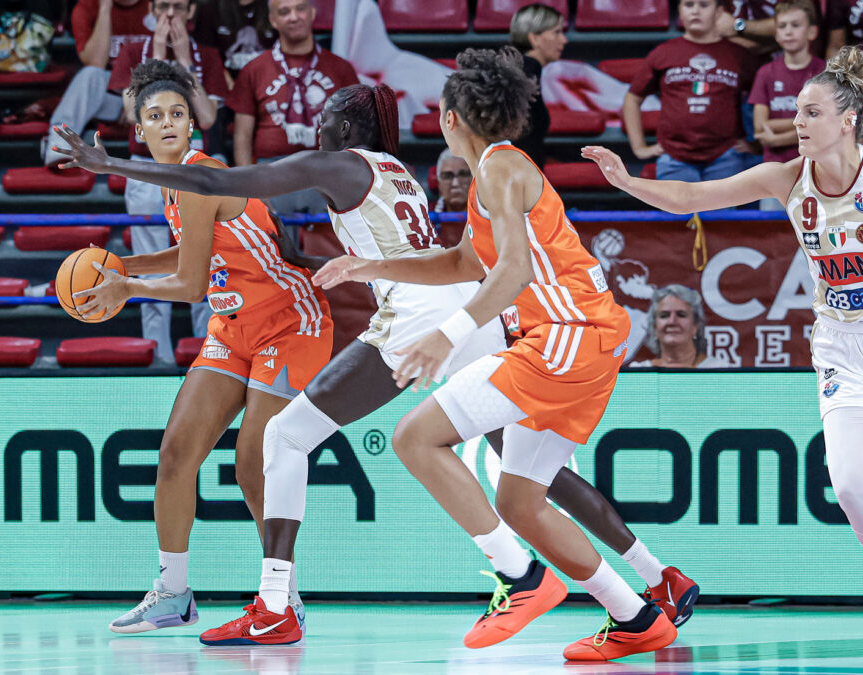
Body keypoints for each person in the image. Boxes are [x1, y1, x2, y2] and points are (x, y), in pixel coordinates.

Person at [54, 67, 696, 651]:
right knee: (532, 473)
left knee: (288, 436)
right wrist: (351, 265)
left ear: (347, 126)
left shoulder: (344, 165)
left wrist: (109, 163)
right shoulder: (396, 170)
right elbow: (447, 258)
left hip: (425, 318)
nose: (316, 123)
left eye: (327, 115)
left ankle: (287, 604)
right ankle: (651, 583)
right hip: (465, 307)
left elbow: (218, 180)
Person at [315, 47, 680, 661]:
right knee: (519, 500)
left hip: (564, 335)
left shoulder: (498, 169)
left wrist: (448, 333)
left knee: (414, 438)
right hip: (586, 338)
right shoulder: (498, 171)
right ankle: (637, 617)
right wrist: (370, 264)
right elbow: (465, 262)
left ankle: (522, 580)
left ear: (452, 116)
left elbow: (509, 273)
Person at [51, 60, 333, 635]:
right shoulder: (176, 187)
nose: (169, 122)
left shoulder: (203, 175)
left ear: (190, 124)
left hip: (288, 320)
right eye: (155, 115)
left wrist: (126, 287)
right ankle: (173, 593)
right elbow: (189, 259)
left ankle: (286, 600)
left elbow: (189, 284)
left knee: (254, 463)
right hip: (235, 328)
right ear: (141, 132)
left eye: (177, 113)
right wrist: (114, 266)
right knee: (177, 454)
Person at [586, 44, 863, 555]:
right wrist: (626, 181)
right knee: (848, 485)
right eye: (797, 109)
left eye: (812, 112)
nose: (796, 121)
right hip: (839, 347)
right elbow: (691, 198)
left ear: (848, 122)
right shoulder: (786, 177)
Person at [105, 0, 227, 364]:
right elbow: (131, 114)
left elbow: (206, 117)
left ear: (191, 12)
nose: (169, 15)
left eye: (177, 6)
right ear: (151, 11)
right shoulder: (131, 52)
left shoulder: (206, 54)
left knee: (203, 260)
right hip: (145, 166)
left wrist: (185, 63)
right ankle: (156, 355)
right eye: (162, 6)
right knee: (153, 258)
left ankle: (210, 352)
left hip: (195, 166)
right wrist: (157, 55)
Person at [226, 0, 358, 216]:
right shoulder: (254, 69)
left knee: (329, 249)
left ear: (312, 13)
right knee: (274, 249)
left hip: (326, 169)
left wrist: (348, 183)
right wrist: (250, 189)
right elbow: (242, 137)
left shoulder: (341, 69)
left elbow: (356, 132)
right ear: (273, 20)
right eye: (284, 11)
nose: (294, 17)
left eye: (300, 8)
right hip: (271, 172)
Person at [623, 0, 756, 181]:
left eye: (703, 5)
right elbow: (633, 98)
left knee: (722, 211)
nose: (695, 11)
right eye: (688, 4)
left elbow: (763, 97)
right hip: (673, 158)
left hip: (725, 156)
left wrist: (756, 145)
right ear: (679, 11)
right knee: (678, 211)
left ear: (718, 12)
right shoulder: (663, 52)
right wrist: (639, 147)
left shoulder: (739, 55)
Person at [40, 0, 153, 167]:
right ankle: (61, 144)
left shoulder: (158, 6)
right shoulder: (87, 7)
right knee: (91, 74)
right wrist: (105, 9)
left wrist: (135, 96)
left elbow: (170, 64)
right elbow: (96, 62)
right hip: (111, 97)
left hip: (150, 96)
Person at [750, 0, 824, 208]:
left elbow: (827, 127)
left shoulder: (825, 74)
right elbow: (759, 127)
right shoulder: (766, 73)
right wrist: (807, 123)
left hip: (816, 171)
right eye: (782, 26)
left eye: (795, 25)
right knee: (771, 235)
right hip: (774, 174)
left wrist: (776, 136)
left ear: (812, 32)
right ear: (776, 35)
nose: (788, 31)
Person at [509, 3, 563, 168]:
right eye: (557, 32)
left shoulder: (521, 67)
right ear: (535, 38)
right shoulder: (527, 69)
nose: (564, 40)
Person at [628, 285, 732, 368]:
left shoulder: (720, 371)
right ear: (654, 326)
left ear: (696, 325)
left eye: (681, 315)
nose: (672, 321)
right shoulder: (639, 373)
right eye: (664, 315)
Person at [192, 0, 275, 85]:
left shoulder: (276, 6)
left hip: (271, 84)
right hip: (223, 86)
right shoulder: (209, 10)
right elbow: (205, 57)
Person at [434, 148, 472, 247]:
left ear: (473, 179)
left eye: (463, 174)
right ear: (439, 182)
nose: (455, 183)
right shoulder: (424, 217)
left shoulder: (487, 215)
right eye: (447, 176)